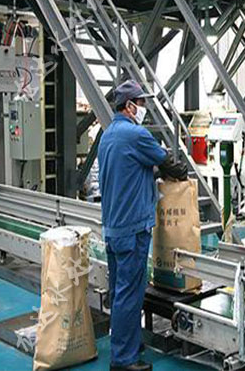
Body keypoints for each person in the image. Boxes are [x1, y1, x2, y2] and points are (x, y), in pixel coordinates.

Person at [98, 80, 187, 371]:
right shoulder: (136, 134)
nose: (144, 108)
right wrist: (179, 172)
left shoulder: (107, 136)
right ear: (129, 106)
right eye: (141, 103)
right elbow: (169, 163)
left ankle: (128, 345)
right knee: (130, 293)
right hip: (132, 228)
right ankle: (123, 360)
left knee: (119, 290)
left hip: (112, 227)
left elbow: (129, 169)